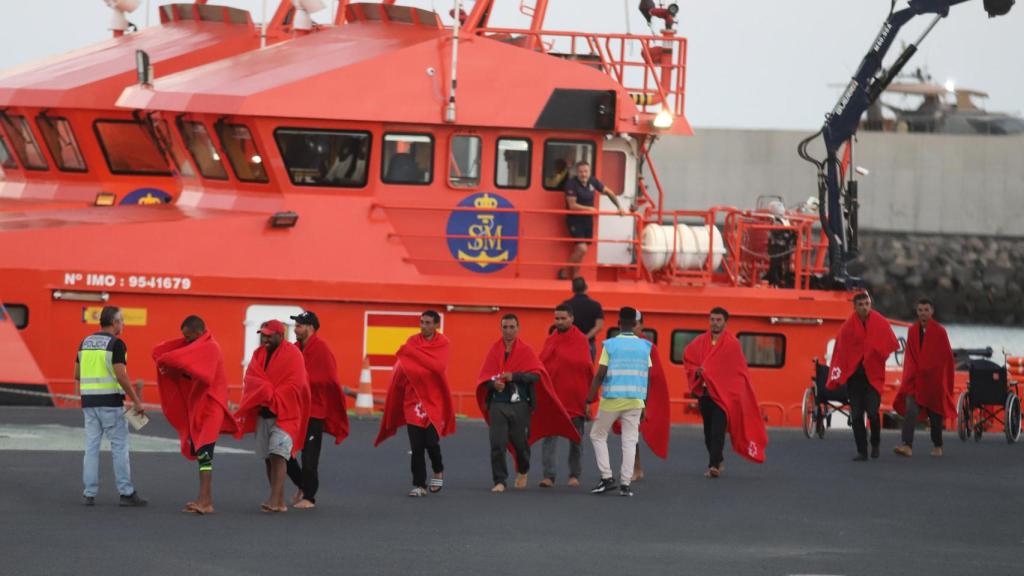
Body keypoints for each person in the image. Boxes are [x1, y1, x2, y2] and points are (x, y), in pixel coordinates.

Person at [476, 314, 579, 493]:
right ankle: (500, 480)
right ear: (501, 329)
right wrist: (494, 384)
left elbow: (536, 375)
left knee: (520, 444)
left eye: (511, 327)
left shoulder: (526, 350)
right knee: (497, 444)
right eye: (505, 327)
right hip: (497, 403)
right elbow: (485, 377)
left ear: (518, 328)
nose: (508, 331)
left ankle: (523, 470)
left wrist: (514, 376)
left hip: (520, 405)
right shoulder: (494, 350)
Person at [153, 315, 238, 514]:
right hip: (201, 407)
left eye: (189, 338)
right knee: (202, 455)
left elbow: (203, 374)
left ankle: (206, 501)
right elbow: (160, 353)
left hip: (211, 408)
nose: (187, 342)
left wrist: (177, 361)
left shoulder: (210, 348)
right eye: (184, 338)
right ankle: (203, 498)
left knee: (205, 454)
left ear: (200, 333)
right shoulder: (198, 347)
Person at [375, 311, 456, 497]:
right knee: (417, 445)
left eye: (428, 322)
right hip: (412, 400)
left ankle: (438, 469)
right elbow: (406, 366)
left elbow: (438, 367)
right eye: (421, 322)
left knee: (431, 443)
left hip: (433, 401)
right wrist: (416, 360)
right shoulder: (413, 340)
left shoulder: (443, 343)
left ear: (436, 325)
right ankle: (419, 484)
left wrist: (413, 355)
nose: (424, 326)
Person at [234, 320, 311, 513]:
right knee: (269, 458)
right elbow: (251, 378)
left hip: (286, 414)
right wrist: (265, 391)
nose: (265, 339)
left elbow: (297, 383)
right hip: (263, 413)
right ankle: (278, 499)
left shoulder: (293, 355)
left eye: (269, 335)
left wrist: (270, 393)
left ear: (280, 335)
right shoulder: (258, 354)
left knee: (278, 455)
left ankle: (275, 500)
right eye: (263, 335)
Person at [683, 307, 768, 478]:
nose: (715, 323)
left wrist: (734, 394)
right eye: (712, 319)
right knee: (708, 434)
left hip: (723, 398)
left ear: (725, 323)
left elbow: (739, 372)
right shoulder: (699, 342)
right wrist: (697, 372)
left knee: (717, 432)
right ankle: (719, 459)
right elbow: (689, 360)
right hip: (705, 395)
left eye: (718, 320)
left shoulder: (732, 344)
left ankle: (713, 466)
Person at [76, 305, 147, 507]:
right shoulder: (116, 344)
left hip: (89, 402)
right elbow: (121, 374)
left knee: (91, 448)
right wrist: (136, 400)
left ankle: (89, 493)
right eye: (122, 320)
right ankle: (126, 492)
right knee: (119, 447)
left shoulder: (85, 342)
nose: (123, 324)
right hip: (110, 403)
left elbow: (77, 374)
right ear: (114, 323)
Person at [286, 311, 349, 510]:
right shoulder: (295, 349)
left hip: (315, 411)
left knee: (309, 457)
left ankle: (309, 497)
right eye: (295, 325)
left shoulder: (321, 349)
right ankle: (303, 487)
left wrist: (302, 381)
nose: (295, 329)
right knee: (283, 452)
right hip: (295, 410)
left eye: (299, 325)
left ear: (310, 327)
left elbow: (329, 378)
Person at [827, 292, 899, 461]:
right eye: (861, 304)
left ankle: (875, 443)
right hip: (855, 378)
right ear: (854, 307)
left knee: (873, 414)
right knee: (857, 415)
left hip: (873, 377)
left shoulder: (880, 322)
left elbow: (888, 344)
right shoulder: (847, 327)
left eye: (867, 303)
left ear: (870, 304)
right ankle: (862, 450)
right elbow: (840, 351)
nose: (865, 307)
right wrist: (839, 374)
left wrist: (875, 356)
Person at [587, 307, 650, 497]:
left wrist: (589, 399)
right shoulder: (645, 346)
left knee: (597, 435)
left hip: (612, 399)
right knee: (630, 441)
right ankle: (625, 484)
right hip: (635, 401)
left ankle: (606, 478)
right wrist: (644, 403)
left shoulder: (610, 345)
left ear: (618, 323)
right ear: (635, 324)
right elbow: (646, 376)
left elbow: (600, 374)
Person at [538, 305, 593, 488]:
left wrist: (588, 401)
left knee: (576, 440)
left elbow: (587, 370)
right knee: (549, 438)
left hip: (575, 399)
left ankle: (574, 475)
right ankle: (549, 476)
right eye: (557, 318)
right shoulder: (550, 340)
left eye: (562, 318)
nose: (559, 322)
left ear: (572, 318)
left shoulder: (582, 341)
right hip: (554, 398)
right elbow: (541, 365)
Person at [893, 297, 955, 457]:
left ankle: (937, 445)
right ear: (917, 312)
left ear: (932, 311)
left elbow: (946, 357)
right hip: (915, 380)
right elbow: (910, 355)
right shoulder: (912, 330)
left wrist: (936, 374)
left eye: (926, 310)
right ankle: (907, 445)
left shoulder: (940, 331)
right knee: (911, 411)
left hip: (934, 381)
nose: (923, 313)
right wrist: (911, 374)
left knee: (935, 415)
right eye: (920, 310)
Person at [559, 160, 627, 279]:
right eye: (580, 172)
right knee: (582, 248)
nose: (583, 174)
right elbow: (572, 205)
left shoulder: (593, 181)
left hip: (587, 221)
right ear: (577, 173)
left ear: (589, 172)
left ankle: (575, 275)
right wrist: (589, 209)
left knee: (581, 250)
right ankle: (565, 271)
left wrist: (619, 207)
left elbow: (609, 192)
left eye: (585, 171)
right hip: (575, 220)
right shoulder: (571, 184)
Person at [561, 277, 604, 359]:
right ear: (586, 287)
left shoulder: (566, 305)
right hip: (588, 344)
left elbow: (562, 324)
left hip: (569, 343)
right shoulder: (595, 305)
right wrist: (585, 338)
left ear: (573, 289)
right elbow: (599, 326)